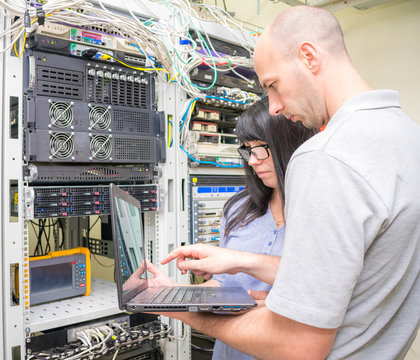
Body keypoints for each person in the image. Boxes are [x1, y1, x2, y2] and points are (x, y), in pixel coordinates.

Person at [159, 5, 420, 360]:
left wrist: (177, 305)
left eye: (272, 85)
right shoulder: (408, 138)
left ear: (309, 57)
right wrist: (253, 271)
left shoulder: (325, 157)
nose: (275, 106)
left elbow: (298, 346)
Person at [149, 97, 316, 359]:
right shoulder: (239, 209)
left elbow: (316, 287)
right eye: (247, 150)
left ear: (288, 143)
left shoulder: (322, 214)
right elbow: (224, 284)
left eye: (260, 149)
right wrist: (171, 294)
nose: (252, 160)